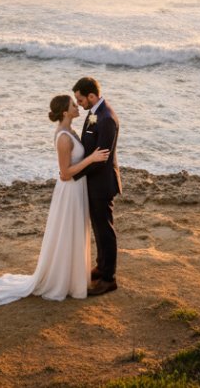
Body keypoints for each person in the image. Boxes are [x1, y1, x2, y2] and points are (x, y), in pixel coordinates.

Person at [0, 95, 110, 305]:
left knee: (74, 233)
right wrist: (91, 159)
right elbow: (65, 173)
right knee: (67, 233)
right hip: (70, 191)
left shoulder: (71, 130)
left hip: (77, 189)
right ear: (65, 113)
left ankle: (73, 277)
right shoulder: (63, 137)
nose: (77, 106)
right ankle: (62, 280)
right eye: (73, 105)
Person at [72, 76, 121, 296]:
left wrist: (74, 174)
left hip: (102, 185)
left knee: (105, 231)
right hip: (93, 183)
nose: (79, 104)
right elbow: (89, 143)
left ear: (91, 96)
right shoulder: (94, 113)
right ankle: (101, 267)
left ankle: (109, 278)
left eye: (80, 100)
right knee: (98, 230)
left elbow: (101, 158)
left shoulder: (106, 118)